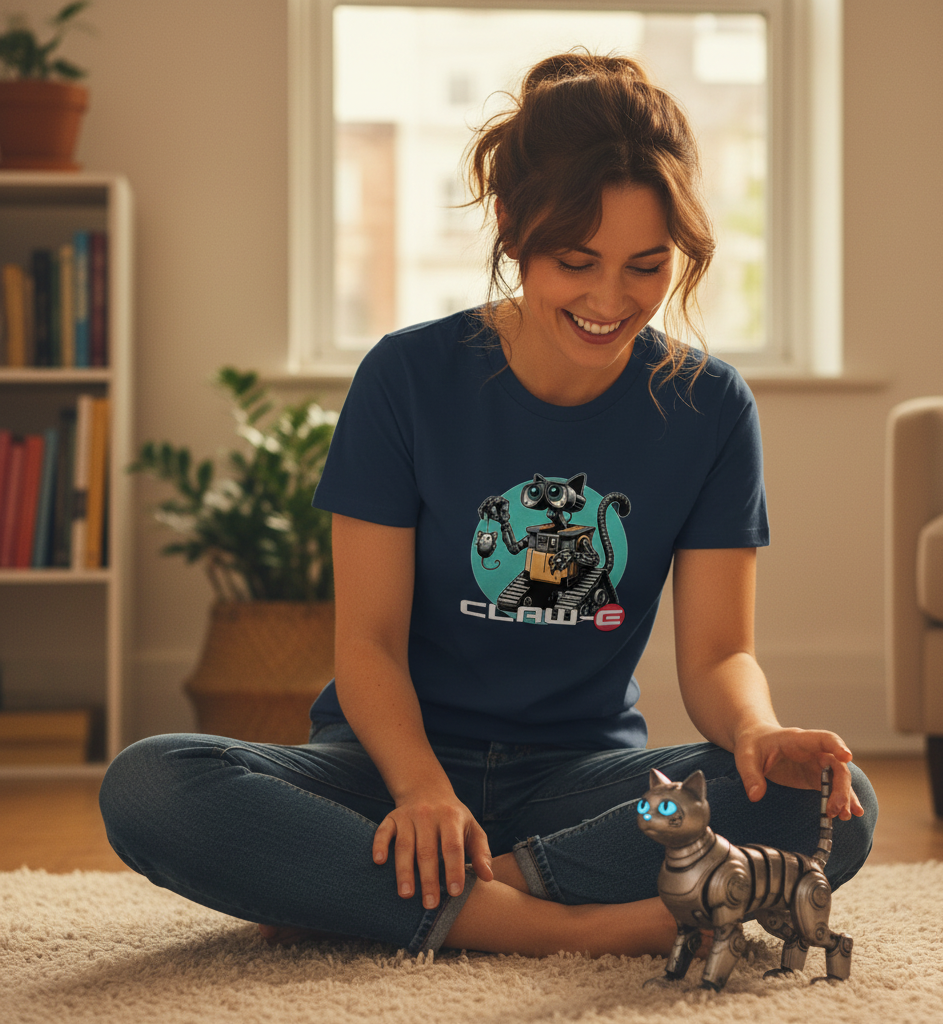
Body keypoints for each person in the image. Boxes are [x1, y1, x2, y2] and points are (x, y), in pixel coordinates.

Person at [100, 52, 876, 962]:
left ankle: (412, 894)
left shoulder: (709, 406)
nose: (608, 299)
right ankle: (574, 926)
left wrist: (758, 732)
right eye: (574, 260)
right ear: (511, 229)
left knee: (830, 798)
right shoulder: (408, 377)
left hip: (579, 778)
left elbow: (719, 656)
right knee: (149, 784)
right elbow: (369, 646)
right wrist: (424, 791)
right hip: (385, 766)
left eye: (645, 265)